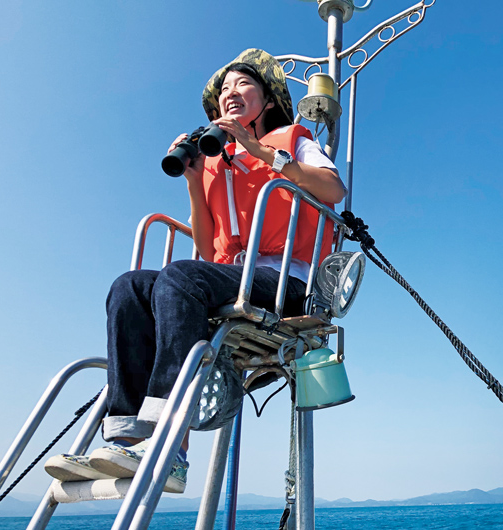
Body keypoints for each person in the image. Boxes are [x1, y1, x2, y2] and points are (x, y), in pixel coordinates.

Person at [44, 49, 346, 493]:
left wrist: (260, 151)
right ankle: (128, 434)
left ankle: (171, 446)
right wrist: (191, 178)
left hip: (285, 282)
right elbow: (208, 250)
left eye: (243, 85)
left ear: (267, 100)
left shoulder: (292, 140)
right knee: (129, 287)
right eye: (224, 89)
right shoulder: (213, 162)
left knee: (180, 277)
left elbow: (333, 188)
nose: (231, 93)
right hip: (231, 277)